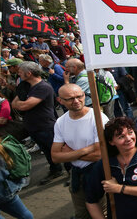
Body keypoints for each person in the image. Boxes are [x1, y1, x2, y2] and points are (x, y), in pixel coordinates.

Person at [85, 117, 137, 219]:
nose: (128, 138)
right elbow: (91, 200)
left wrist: (119, 188)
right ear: (111, 142)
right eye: (121, 137)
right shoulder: (105, 164)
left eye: (130, 132)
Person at [51, 84, 108, 219]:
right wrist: (87, 149)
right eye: (70, 99)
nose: (76, 101)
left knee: (102, 212)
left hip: (98, 173)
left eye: (79, 96)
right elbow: (55, 157)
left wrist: (69, 153)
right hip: (76, 174)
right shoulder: (60, 122)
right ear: (60, 101)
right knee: (81, 213)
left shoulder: (98, 118)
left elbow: (99, 155)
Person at [11, 61, 63, 185]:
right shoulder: (26, 86)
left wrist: (19, 104)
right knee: (46, 150)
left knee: (56, 150)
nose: (18, 74)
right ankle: (55, 169)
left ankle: (69, 171)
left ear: (28, 73)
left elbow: (24, 105)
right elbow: (14, 103)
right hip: (33, 125)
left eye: (20, 72)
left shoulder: (42, 87)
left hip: (45, 125)